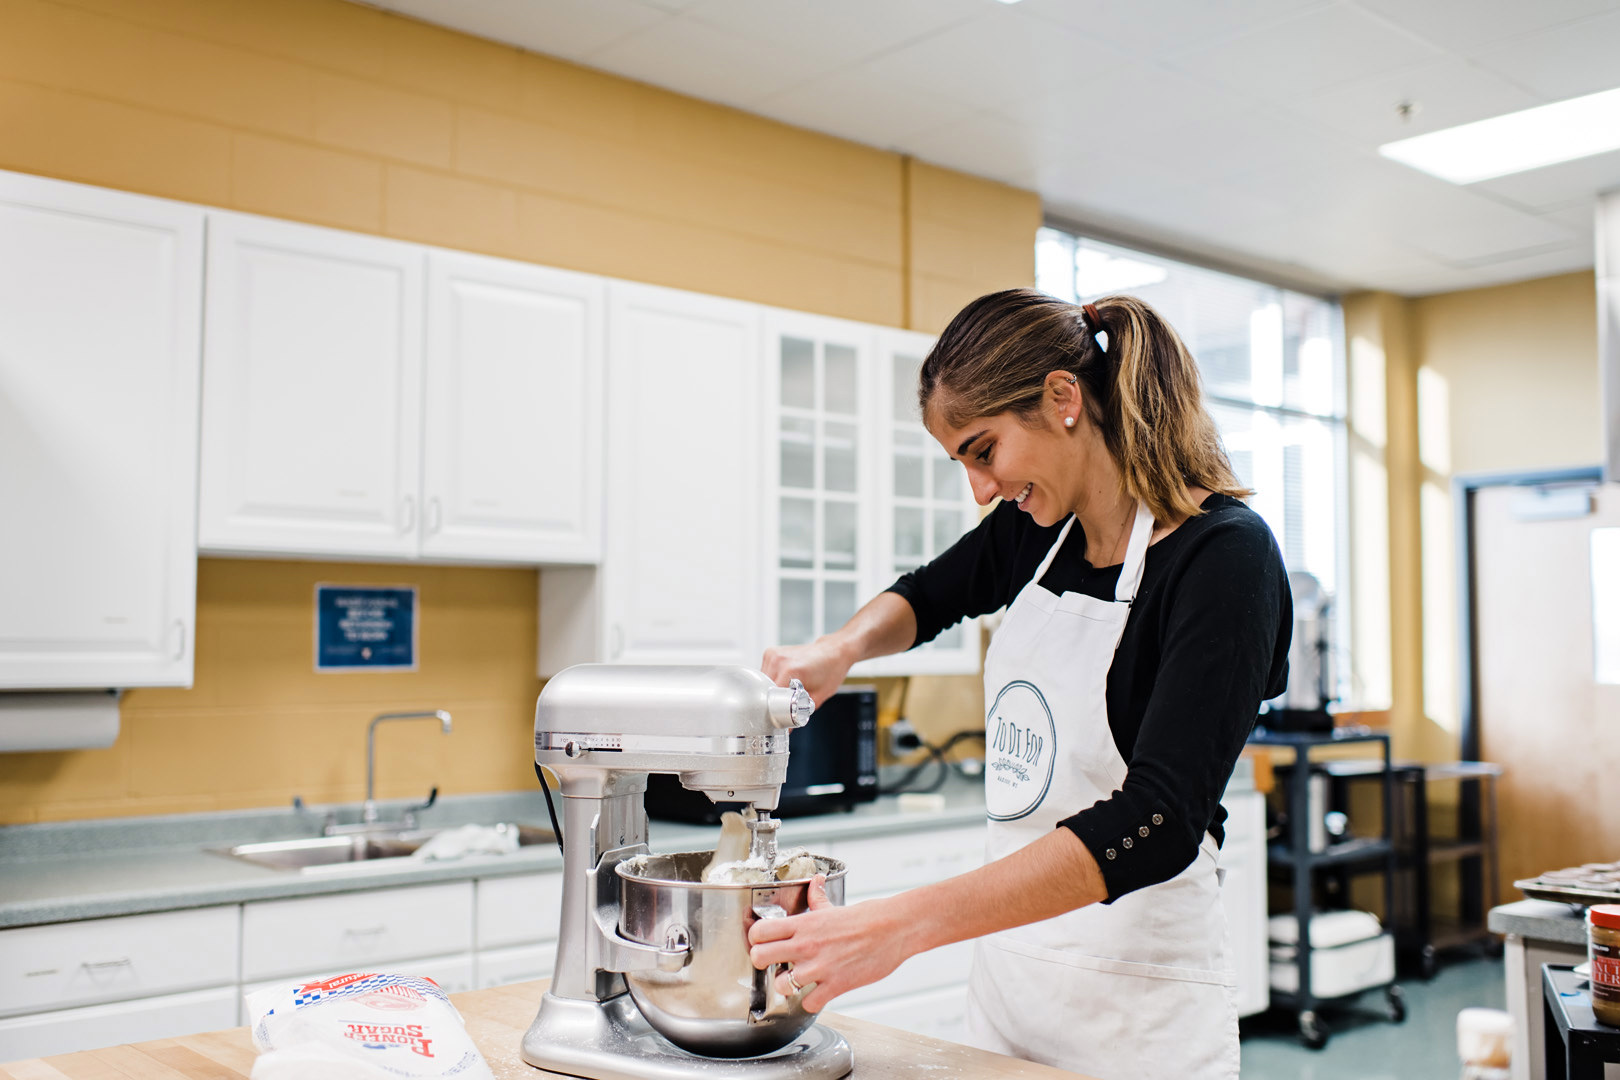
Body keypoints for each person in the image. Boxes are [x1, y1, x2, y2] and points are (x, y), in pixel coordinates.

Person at [750, 288, 1292, 1080]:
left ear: (1063, 399)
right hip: (1010, 994)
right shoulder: (1039, 536)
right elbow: (928, 595)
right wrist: (839, 650)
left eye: (984, 450)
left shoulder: (1223, 559)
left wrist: (901, 926)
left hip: (1138, 1012)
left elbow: (1160, 817)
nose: (980, 488)